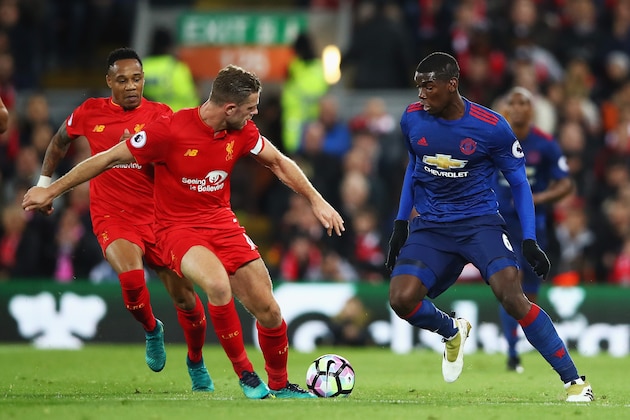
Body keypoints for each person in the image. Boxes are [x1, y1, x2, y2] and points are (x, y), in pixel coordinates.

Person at [23, 64, 345, 399]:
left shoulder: (242, 130)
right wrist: (51, 190)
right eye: (251, 108)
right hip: (176, 229)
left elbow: (279, 161)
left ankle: (280, 385)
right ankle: (246, 375)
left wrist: (316, 200)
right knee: (217, 284)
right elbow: (106, 159)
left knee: (270, 310)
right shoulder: (168, 130)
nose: (256, 114)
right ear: (229, 108)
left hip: (222, 222)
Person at [384, 52, 593, 402]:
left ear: (452, 85)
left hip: (480, 223)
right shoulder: (411, 119)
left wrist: (529, 240)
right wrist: (400, 225)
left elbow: (520, 184)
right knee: (401, 299)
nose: (420, 95)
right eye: (418, 87)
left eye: (428, 86)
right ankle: (452, 330)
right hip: (433, 226)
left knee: (513, 297)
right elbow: (413, 169)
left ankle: (575, 382)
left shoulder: (491, 126)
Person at [32, 48, 211, 392]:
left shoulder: (161, 114)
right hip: (113, 216)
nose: (132, 86)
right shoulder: (90, 112)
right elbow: (59, 141)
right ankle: (151, 329)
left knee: (187, 299)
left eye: (137, 79)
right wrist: (43, 183)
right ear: (109, 82)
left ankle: (196, 361)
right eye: (123, 80)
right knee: (131, 280)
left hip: (159, 217)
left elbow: (181, 160)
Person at [494, 86, 575, 373]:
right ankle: (512, 353)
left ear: (532, 110)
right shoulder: (494, 139)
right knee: (509, 281)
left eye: (523, 102)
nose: (517, 107)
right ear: (505, 109)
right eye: (512, 102)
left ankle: (525, 343)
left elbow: (566, 183)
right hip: (500, 222)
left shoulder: (545, 144)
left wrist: (535, 198)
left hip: (533, 224)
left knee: (530, 292)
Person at [142, 27, 200, 111]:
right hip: (177, 117)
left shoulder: (143, 67)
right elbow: (190, 96)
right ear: (169, 46)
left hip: (150, 120)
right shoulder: (176, 67)